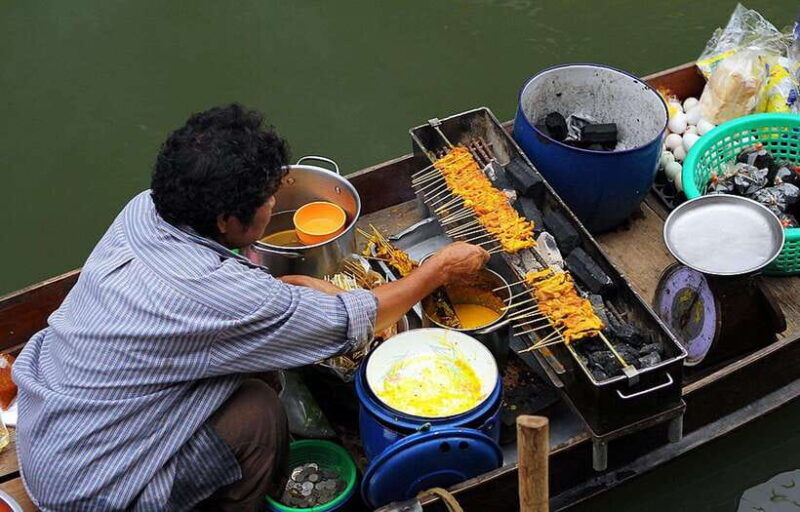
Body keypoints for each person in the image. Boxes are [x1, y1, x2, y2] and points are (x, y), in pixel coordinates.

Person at [13, 104, 489, 511]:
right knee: (260, 411)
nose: (274, 204)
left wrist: (291, 291)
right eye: (268, 200)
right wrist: (437, 272)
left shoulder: (146, 209)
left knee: (257, 369)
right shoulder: (215, 294)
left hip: (51, 426)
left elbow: (226, 295)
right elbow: (351, 322)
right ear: (225, 218)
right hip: (89, 489)